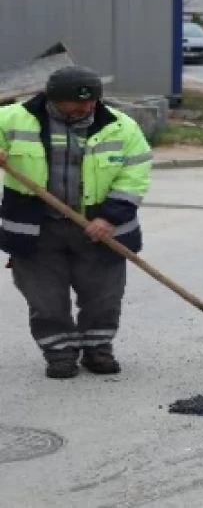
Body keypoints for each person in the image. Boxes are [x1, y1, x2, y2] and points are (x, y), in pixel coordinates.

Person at [0, 65, 153, 379]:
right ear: (52, 99)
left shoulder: (122, 127)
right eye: (76, 102)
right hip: (37, 228)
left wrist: (110, 217)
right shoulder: (12, 119)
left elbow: (135, 174)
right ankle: (60, 353)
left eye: (92, 100)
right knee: (46, 300)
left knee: (103, 297)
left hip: (99, 228)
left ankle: (98, 350)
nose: (86, 107)